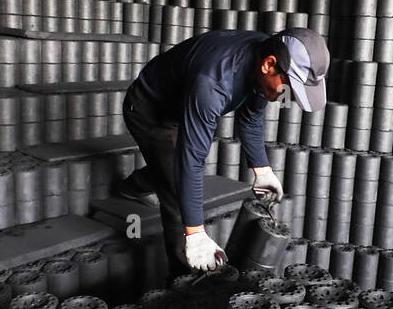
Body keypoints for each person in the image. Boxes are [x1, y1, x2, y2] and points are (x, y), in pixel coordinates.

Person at [121, 27, 330, 277]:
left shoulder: (265, 54)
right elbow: (192, 159)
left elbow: (251, 119)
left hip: (181, 102)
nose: (287, 97)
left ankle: (133, 186)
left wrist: (262, 170)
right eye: (289, 89)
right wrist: (196, 233)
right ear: (269, 66)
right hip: (150, 109)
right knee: (177, 191)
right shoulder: (214, 82)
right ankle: (184, 279)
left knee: (168, 167)